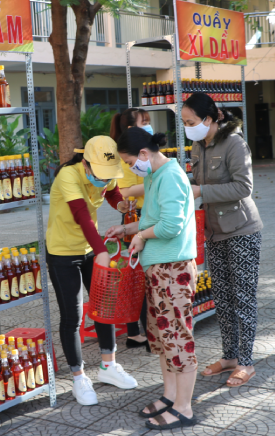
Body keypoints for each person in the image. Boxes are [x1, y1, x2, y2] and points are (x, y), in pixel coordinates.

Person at [106, 127, 198, 430]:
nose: (132, 168)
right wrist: (129, 230)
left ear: (144, 154)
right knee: (161, 338)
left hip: (174, 269)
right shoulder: (154, 176)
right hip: (160, 270)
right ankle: (170, 396)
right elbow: (153, 220)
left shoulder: (170, 176)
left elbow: (171, 226)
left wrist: (142, 236)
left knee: (178, 339)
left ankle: (184, 408)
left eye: (131, 162)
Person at [46, 135, 138, 406]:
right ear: (86, 163)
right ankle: (78, 378)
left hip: (90, 249)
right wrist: (101, 251)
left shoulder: (104, 171)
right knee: (72, 317)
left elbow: (111, 191)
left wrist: (121, 204)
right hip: (63, 252)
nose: (103, 177)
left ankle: (108, 367)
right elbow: (81, 215)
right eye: (98, 173)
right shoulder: (67, 176)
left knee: (105, 306)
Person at [182, 92, 263, 387]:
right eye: (185, 123)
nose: (188, 127)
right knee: (223, 300)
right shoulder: (197, 146)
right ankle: (229, 356)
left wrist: (201, 191)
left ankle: (246, 362)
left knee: (243, 298)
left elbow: (243, 187)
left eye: (191, 122)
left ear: (209, 118)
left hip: (242, 230)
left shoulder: (235, 143)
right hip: (214, 232)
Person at [110, 108, 151, 350]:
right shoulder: (125, 156)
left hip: (145, 216)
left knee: (140, 275)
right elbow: (124, 191)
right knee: (139, 275)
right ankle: (139, 332)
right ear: (129, 129)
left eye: (148, 122)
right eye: (142, 122)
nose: (147, 126)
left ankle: (137, 332)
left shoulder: (143, 150)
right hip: (137, 217)